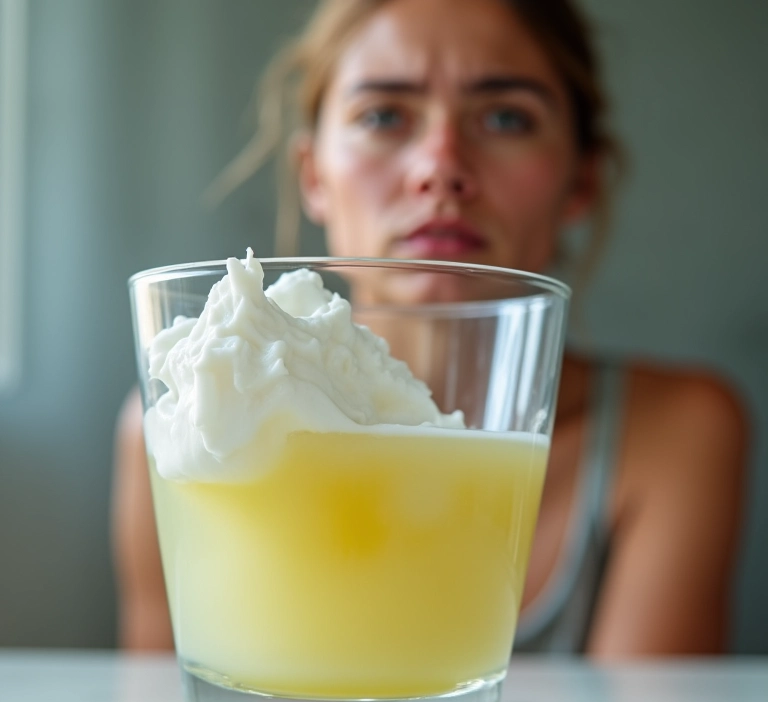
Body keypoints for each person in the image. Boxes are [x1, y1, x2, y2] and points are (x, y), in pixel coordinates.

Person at [112, 0, 748, 656]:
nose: (440, 166)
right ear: (315, 177)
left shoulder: (678, 432)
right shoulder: (181, 423)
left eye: (506, 118)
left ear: (580, 179)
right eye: (383, 116)